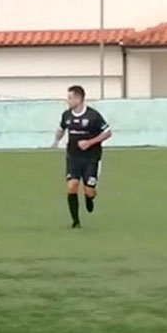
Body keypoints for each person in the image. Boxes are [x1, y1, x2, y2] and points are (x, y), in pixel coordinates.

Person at [51, 84, 112, 229]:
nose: (68, 100)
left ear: (78, 99)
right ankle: (76, 221)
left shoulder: (93, 116)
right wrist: (56, 141)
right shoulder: (66, 115)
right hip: (73, 156)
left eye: (70, 98)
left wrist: (89, 142)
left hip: (91, 157)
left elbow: (108, 133)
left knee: (89, 190)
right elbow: (61, 129)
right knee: (72, 186)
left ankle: (89, 197)